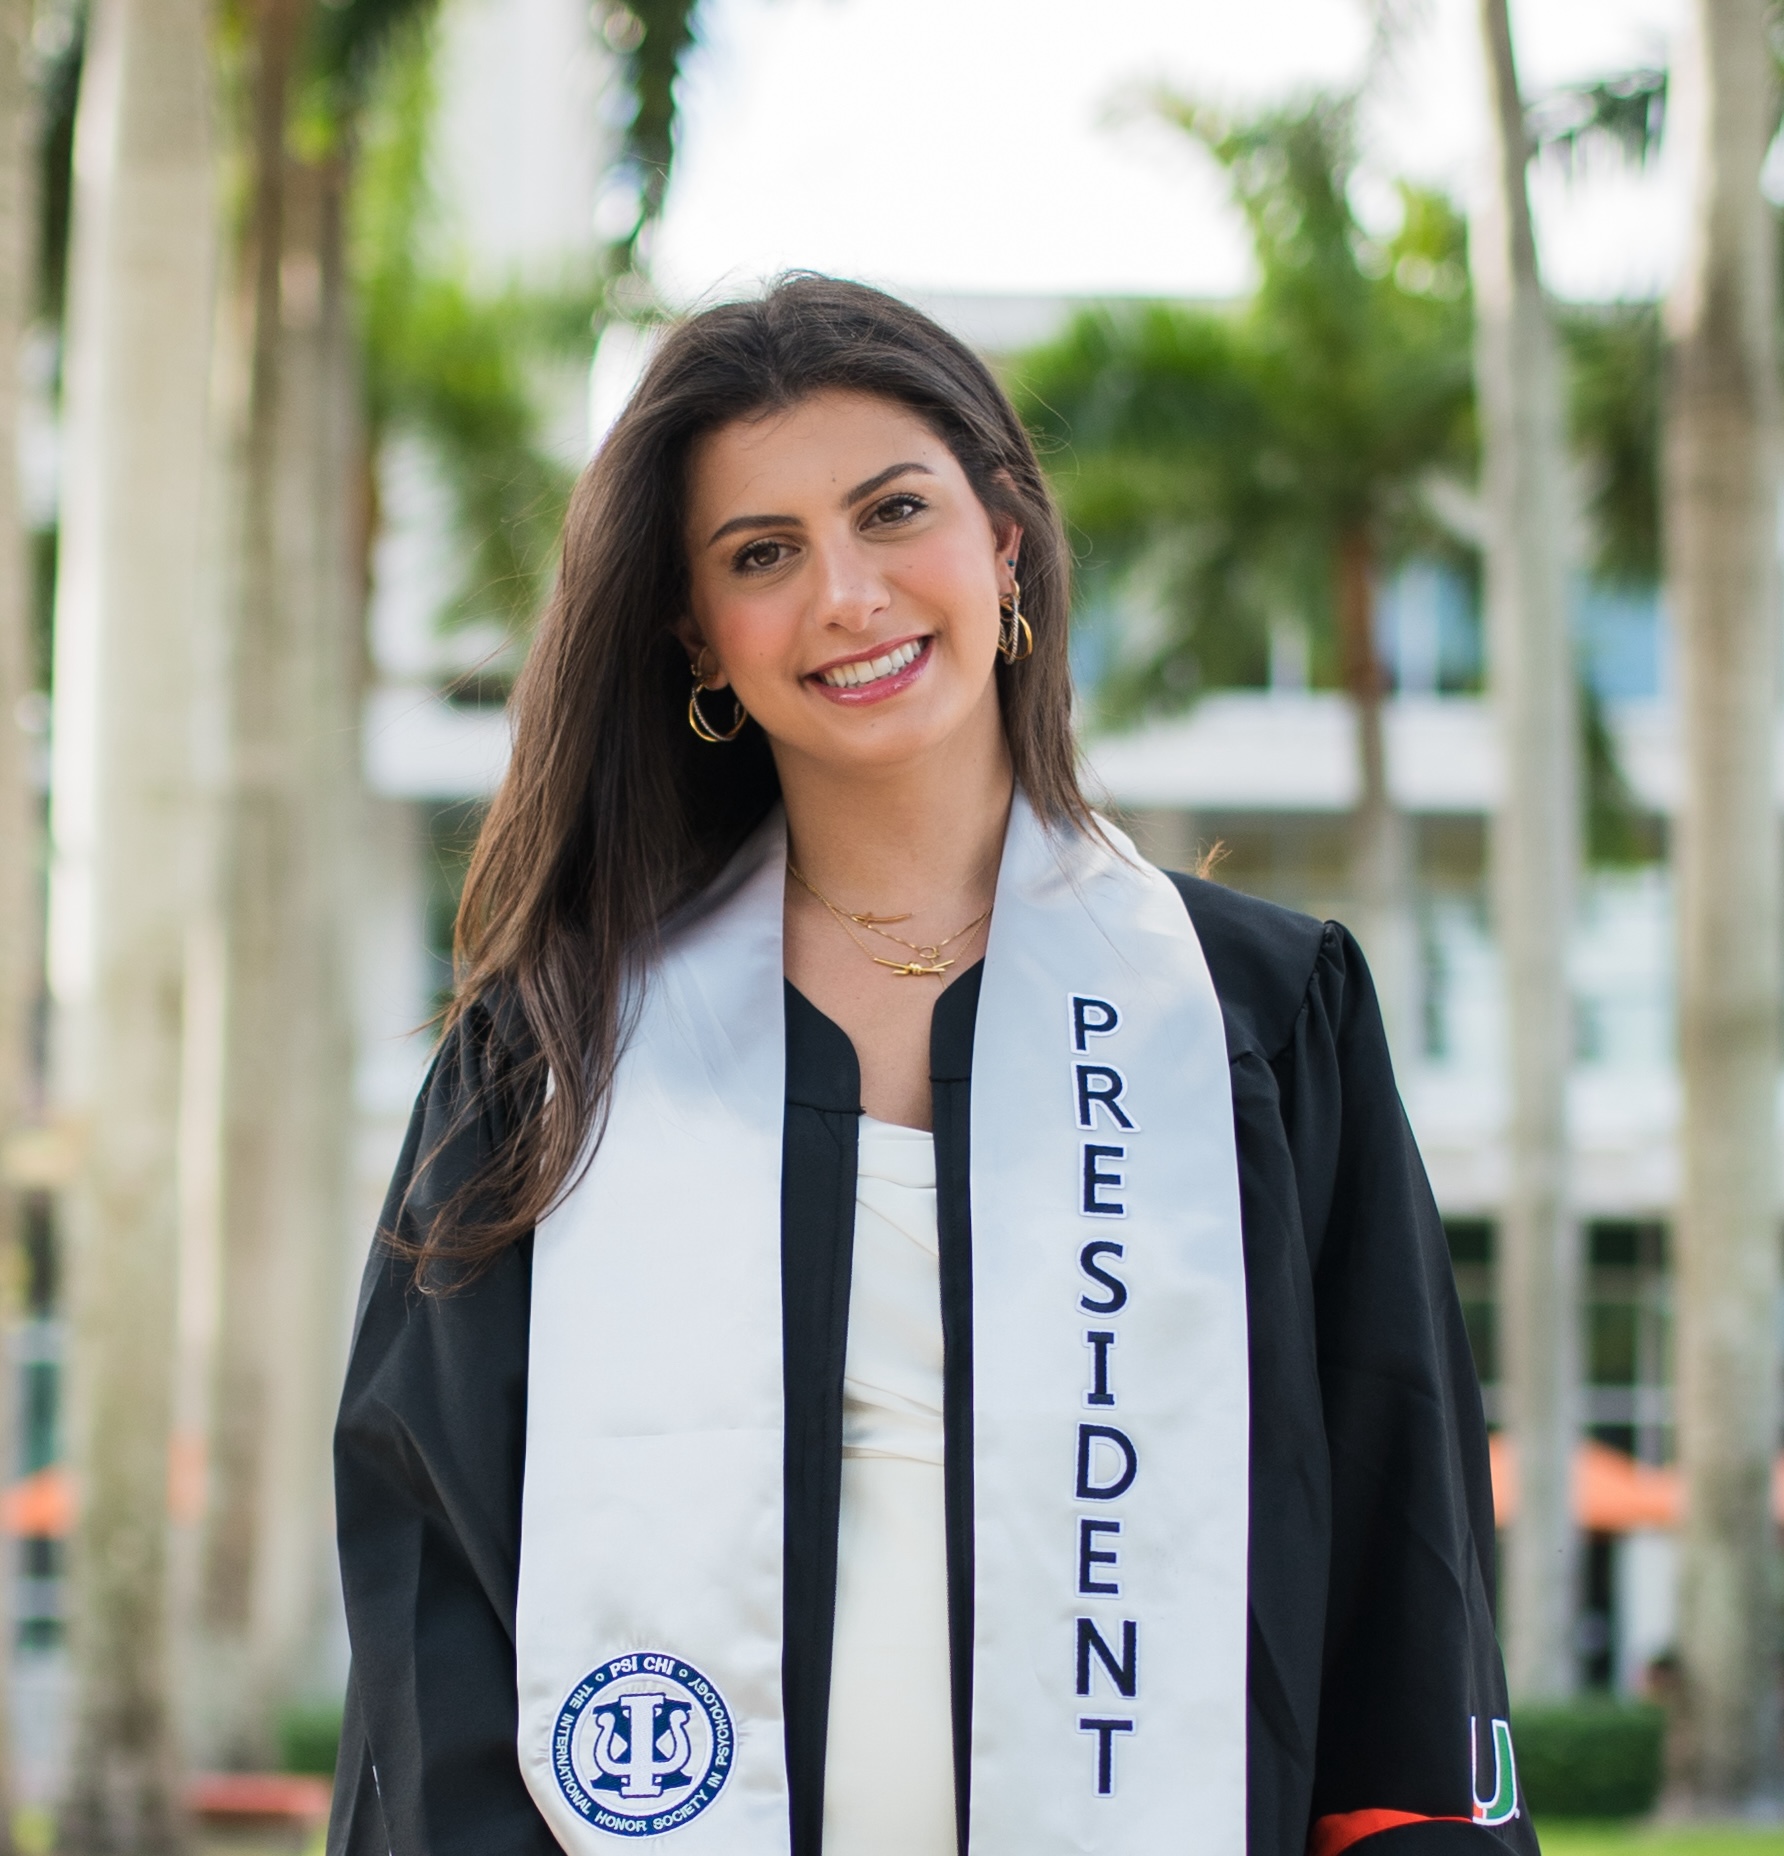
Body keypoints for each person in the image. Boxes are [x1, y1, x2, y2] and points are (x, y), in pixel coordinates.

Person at [329, 275, 1533, 1856]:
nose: (847, 594)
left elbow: (1397, 1536)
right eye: (763, 554)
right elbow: (440, 1586)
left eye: (894, 512)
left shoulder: (1247, 1018)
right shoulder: (562, 1052)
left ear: (1005, 541)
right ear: (700, 633)